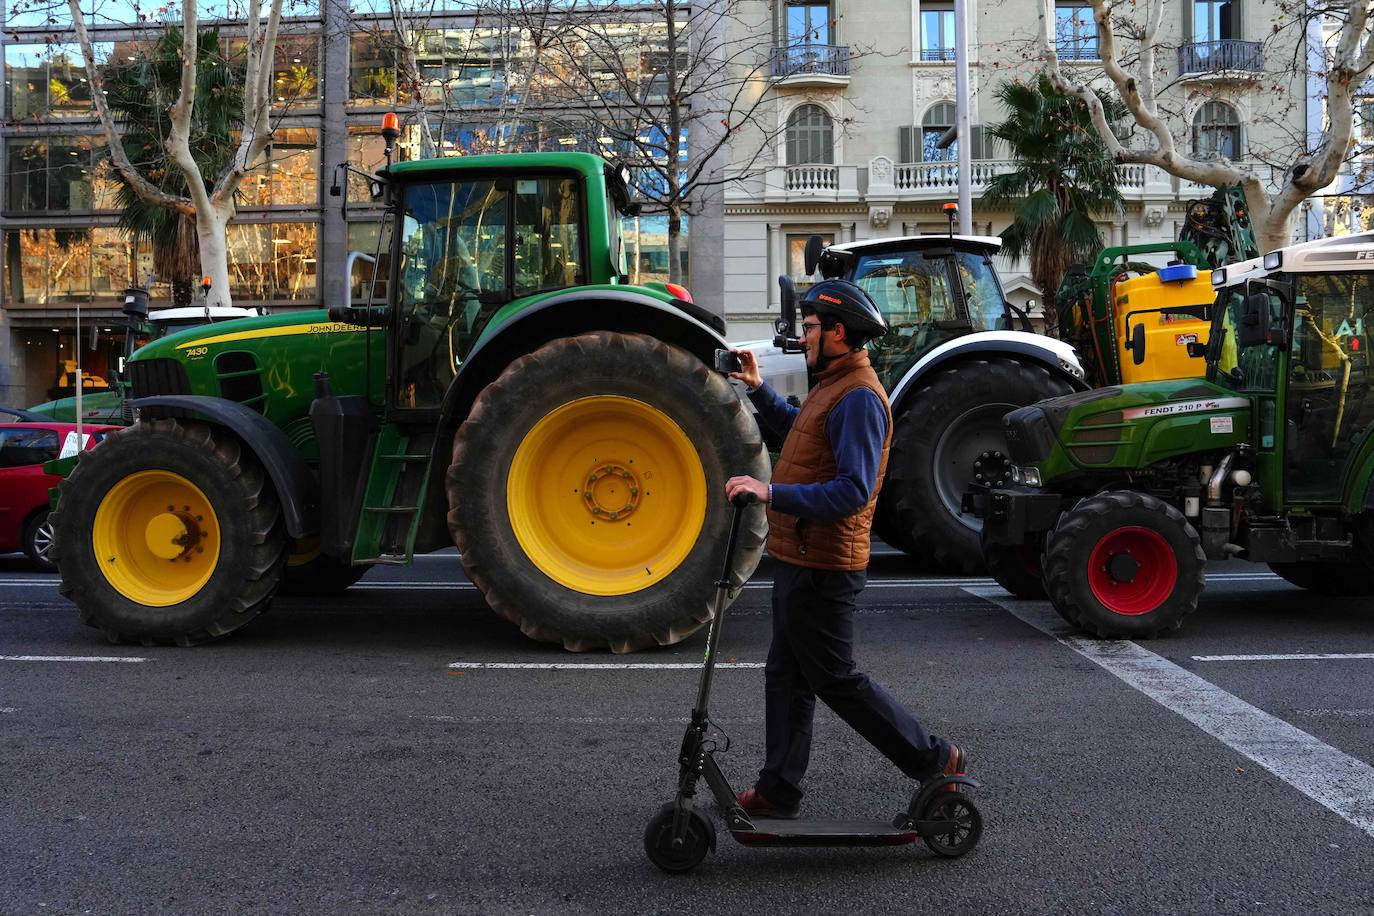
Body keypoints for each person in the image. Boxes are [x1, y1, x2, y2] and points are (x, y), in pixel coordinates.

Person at [724, 278, 967, 819]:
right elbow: (804, 434)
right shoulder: (832, 385)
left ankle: (935, 759)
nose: (804, 336)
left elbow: (852, 492)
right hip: (800, 556)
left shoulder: (858, 397)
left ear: (838, 332)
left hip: (824, 562)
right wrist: (758, 390)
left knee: (835, 679)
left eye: (810, 327)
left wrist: (769, 491)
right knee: (787, 675)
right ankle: (778, 789)